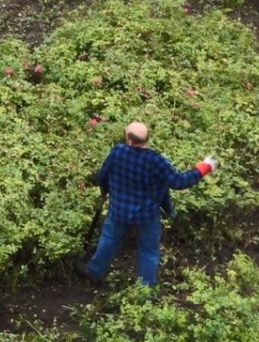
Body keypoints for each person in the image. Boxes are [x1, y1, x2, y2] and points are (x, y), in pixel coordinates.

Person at [84, 121, 218, 287]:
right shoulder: (156, 161)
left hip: (119, 210)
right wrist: (205, 167)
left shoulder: (117, 152)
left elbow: (101, 177)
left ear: (129, 140)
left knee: (109, 240)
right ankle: (146, 289)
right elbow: (180, 181)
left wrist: (106, 190)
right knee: (149, 250)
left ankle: (94, 272)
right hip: (147, 215)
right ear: (147, 138)